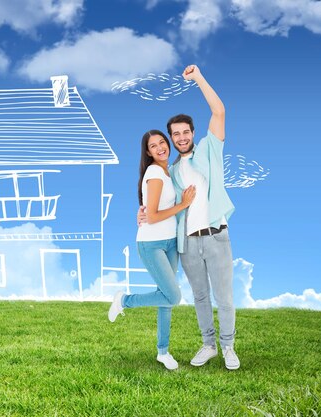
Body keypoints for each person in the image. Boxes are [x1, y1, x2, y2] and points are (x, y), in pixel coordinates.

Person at [139, 64, 240, 370]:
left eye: (185, 132)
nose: (181, 137)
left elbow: (219, 111)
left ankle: (228, 347)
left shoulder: (210, 149)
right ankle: (208, 345)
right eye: (175, 134)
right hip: (187, 244)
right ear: (170, 139)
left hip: (216, 235)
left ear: (193, 133)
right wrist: (143, 209)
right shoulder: (169, 172)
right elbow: (156, 198)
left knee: (224, 297)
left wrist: (197, 78)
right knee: (199, 297)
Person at [108, 129, 195, 371]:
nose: (160, 148)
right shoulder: (155, 172)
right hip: (151, 244)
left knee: (165, 300)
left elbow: (148, 207)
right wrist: (183, 205)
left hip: (170, 243)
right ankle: (125, 300)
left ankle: (162, 352)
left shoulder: (168, 171)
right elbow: (154, 216)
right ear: (148, 152)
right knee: (174, 296)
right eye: (153, 146)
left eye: (162, 142)